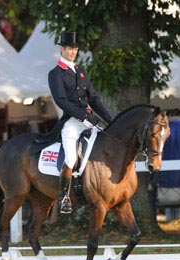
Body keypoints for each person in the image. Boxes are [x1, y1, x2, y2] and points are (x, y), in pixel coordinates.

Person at [48, 31, 112, 214]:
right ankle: (64, 197)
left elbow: (94, 98)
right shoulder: (55, 74)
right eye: (69, 48)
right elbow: (61, 101)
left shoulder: (80, 71)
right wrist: (83, 116)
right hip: (71, 123)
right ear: (62, 48)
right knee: (71, 158)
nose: (73, 52)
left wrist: (108, 119)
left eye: (75, 49)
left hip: (89, 121)